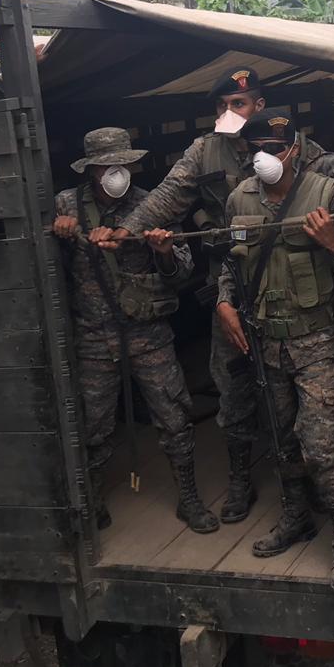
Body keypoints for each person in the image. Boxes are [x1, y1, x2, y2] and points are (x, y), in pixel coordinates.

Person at [88, 67, 334, 526]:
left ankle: (311, 488)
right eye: (220, 106)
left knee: (298, 404)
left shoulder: (293, 145)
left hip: (296, 288)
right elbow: (168, 195)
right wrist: (126, 231)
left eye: (238, 104)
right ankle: (239, 480)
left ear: (258, 105)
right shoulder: (204, 150)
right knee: (232, 386)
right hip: (233, 285)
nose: (227, 113)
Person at [215, 111, 334, 593]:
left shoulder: (326, 194)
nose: (262, 157)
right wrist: (224, 302)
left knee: (321, 442)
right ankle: (296, 516)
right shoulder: (239, 199)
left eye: (273, 149)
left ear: (294, 150)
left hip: (314, 337)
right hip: (264, 339)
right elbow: (231, 262)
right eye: (254, 148)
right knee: (280, 438)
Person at [53, 128, 218, 535]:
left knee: (175, 416)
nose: (117, 173)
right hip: (93, 334)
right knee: (93, 424)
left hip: (147, 331)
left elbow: (182, 274)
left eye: (124, 165)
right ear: (91, 170)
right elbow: (48, 270)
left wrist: (163, 250)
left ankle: (189, 498)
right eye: (108, 166)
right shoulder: (66, 205)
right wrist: (61, 232)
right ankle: (92, 499)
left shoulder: (152, 205)